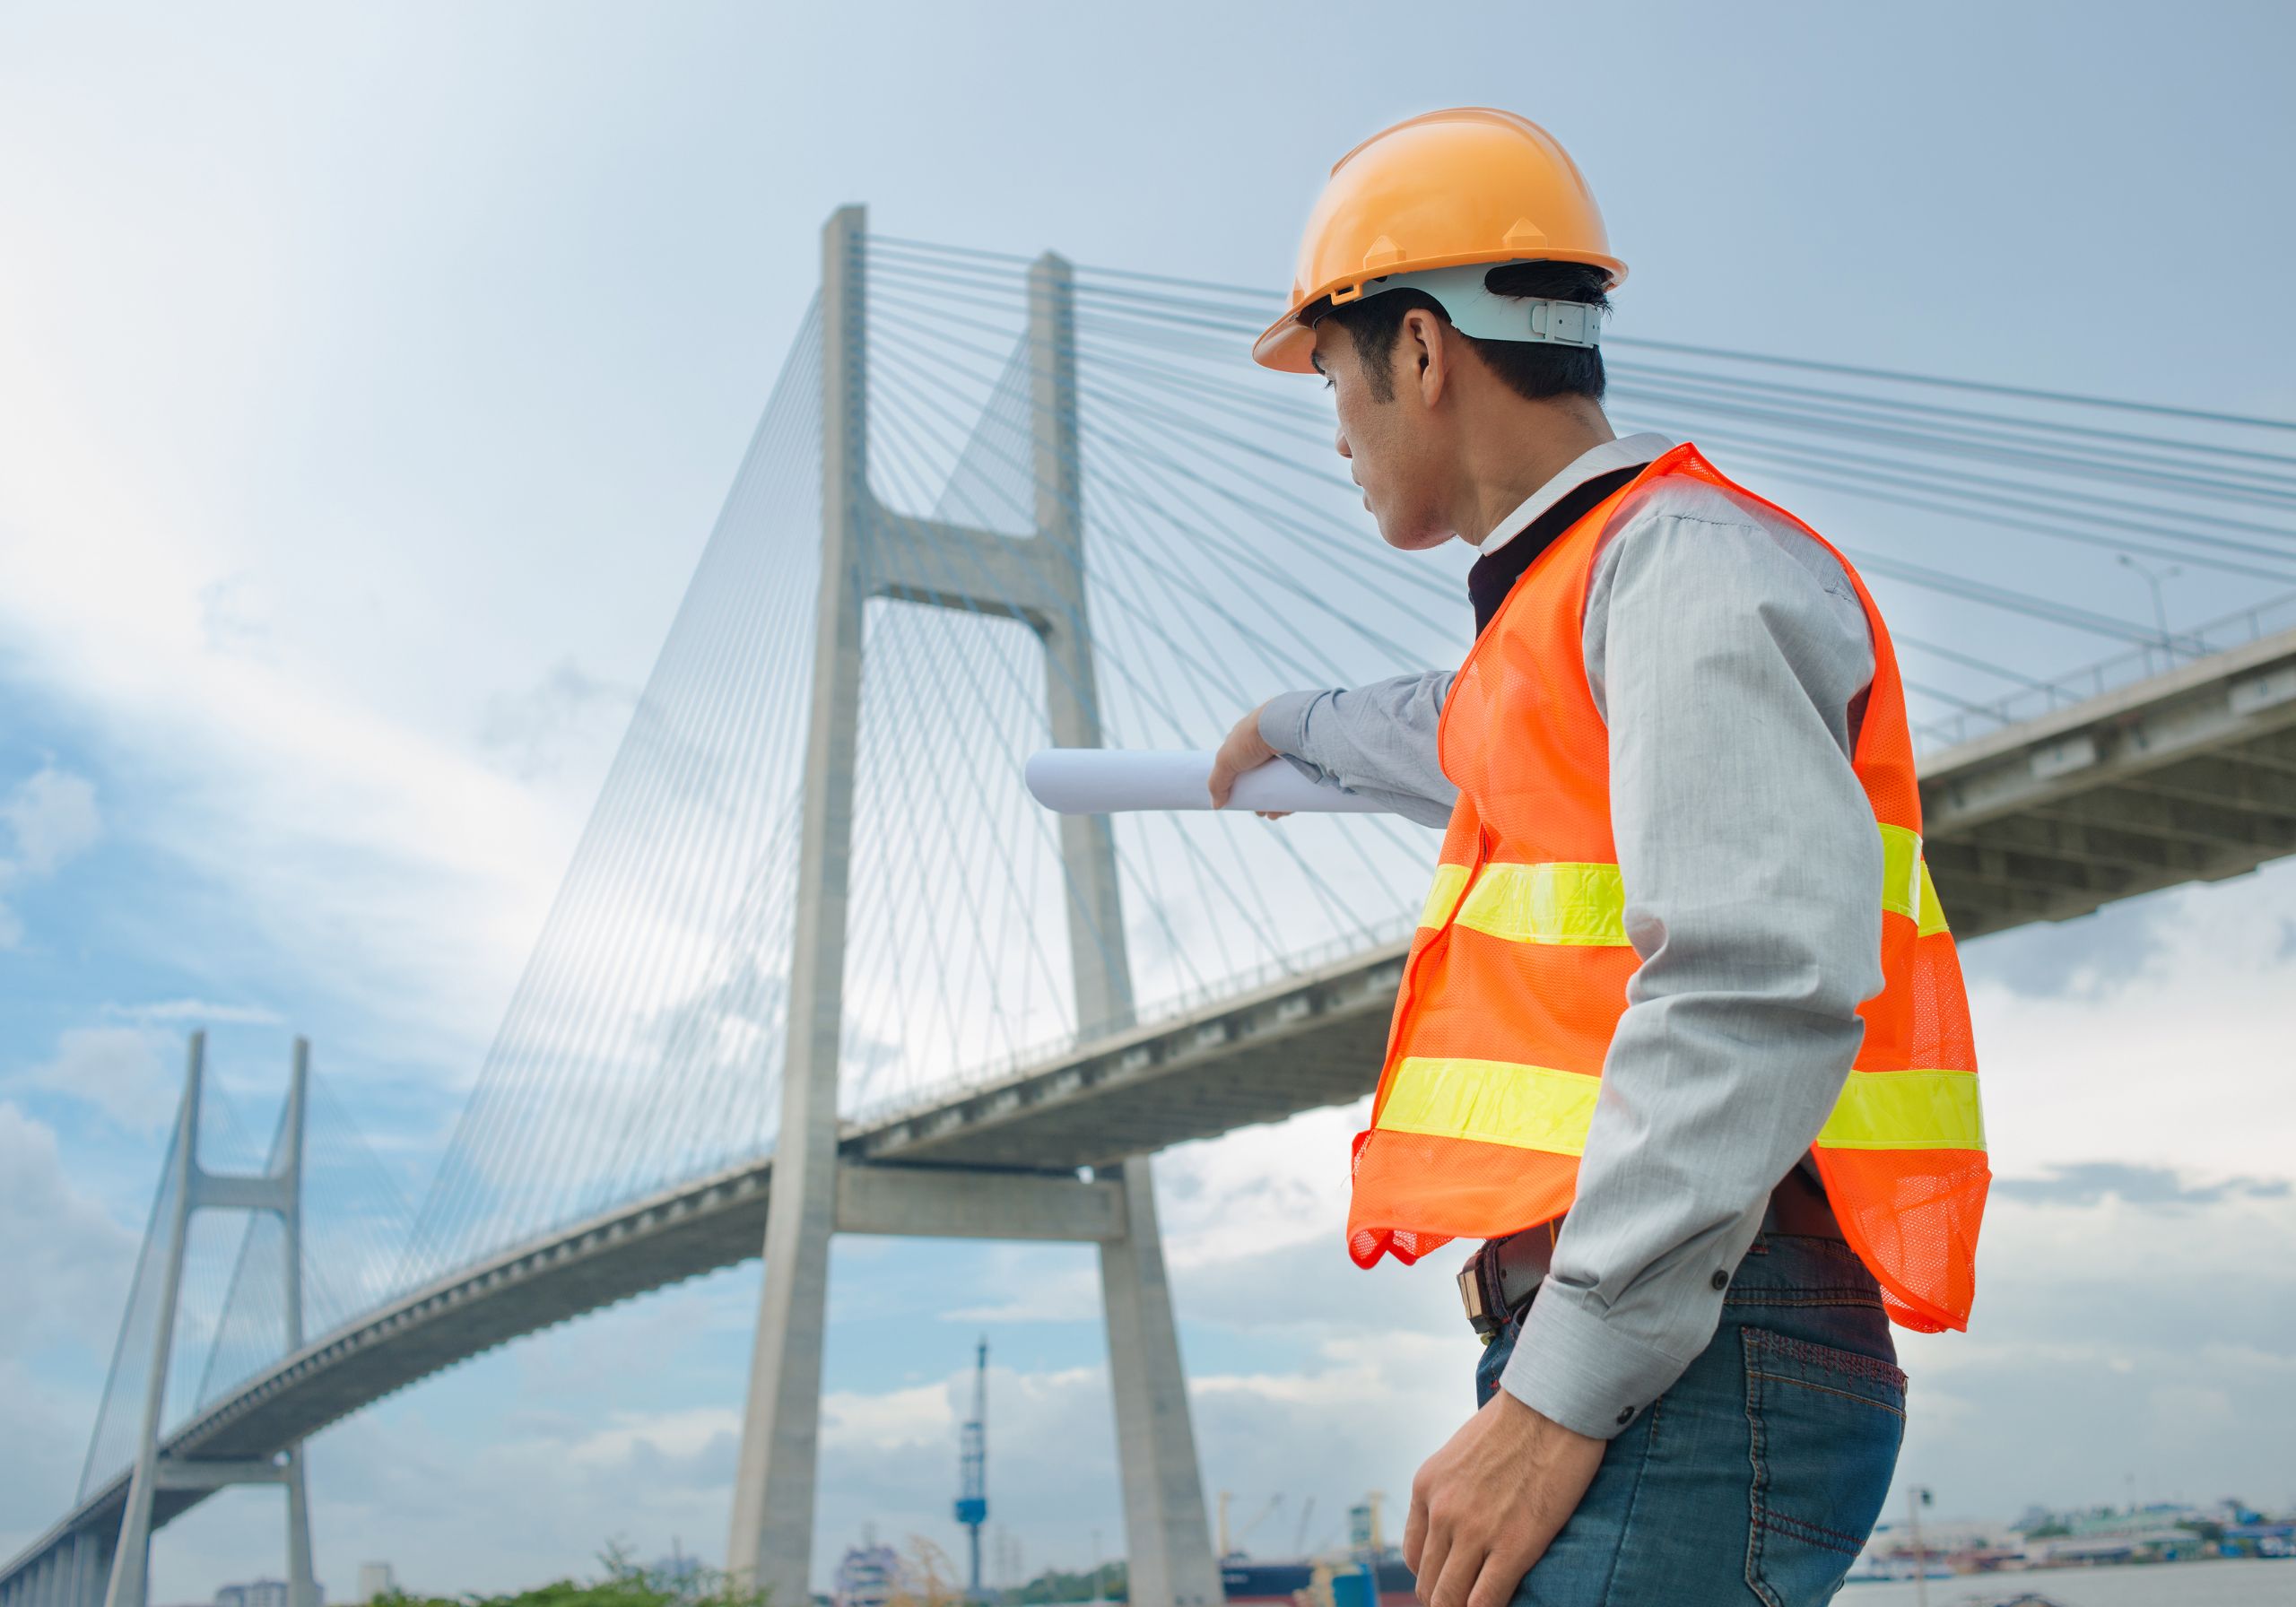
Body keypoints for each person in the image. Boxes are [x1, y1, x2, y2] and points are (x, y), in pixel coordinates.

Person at [1206, 109, 1990, 1607]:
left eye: (1329, 375)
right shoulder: (1582, 607)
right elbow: (1457, 724)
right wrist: (1288, 724)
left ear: (1422, 353)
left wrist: (1557, 1394)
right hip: (1678, 1335)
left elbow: (1755, 981)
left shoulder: (1683, 566)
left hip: (1693, 1345)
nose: (1334, 430)